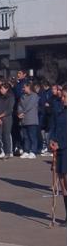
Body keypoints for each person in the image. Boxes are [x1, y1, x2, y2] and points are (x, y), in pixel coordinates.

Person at [48, 85, 66, 221]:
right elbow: (53, 126)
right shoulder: (59, 110)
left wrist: (62, 144)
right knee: (62, 183)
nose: (63, 99)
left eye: (65, 97)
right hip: (59, 150)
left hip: (66, 149)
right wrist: (52, 140)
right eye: (62, 96)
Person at [17, 80, 40, 159]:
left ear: (29, 87)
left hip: (32, 119)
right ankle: (26, 151)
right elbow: (19, 105)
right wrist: (19, 112)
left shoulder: (35, 95)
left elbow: (30, 106)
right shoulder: (22, 96)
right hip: (23, 120)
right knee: (25, 136)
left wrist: (23, 112)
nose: (23, 89)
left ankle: (33, 151)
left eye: (24, 87)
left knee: (32, 136)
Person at [0, 82, 15, 159]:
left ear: (6, 89)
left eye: (2, 88)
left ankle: (7, 152)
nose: (0, 90)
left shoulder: (11, 97)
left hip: (7, 118)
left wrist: (1, 116)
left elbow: (9, 109)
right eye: (0, 88)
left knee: (6, 136)